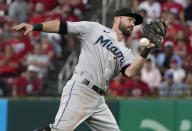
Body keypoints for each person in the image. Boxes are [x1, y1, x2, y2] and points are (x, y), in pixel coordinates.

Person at [11, 8, 166, 131]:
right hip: (81, 89)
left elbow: (130, 72)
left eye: (134, 22)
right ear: (116, 18)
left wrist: (147, 50)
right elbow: (62, 26)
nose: (132, 23)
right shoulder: (94, 29)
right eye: (129, 19)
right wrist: (35, 26)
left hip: (98, 100)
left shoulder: (126, 52)